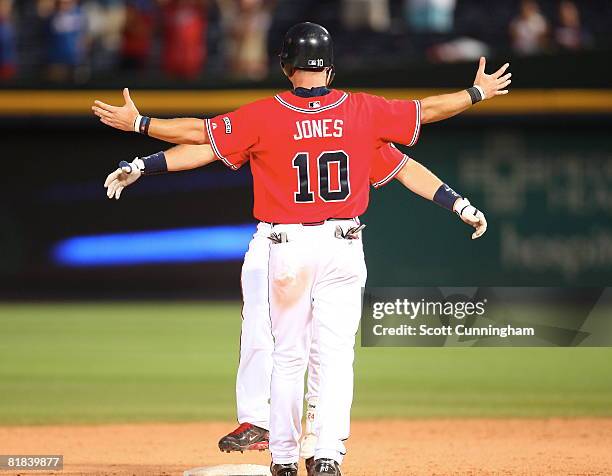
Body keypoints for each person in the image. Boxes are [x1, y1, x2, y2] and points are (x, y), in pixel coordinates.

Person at [92, 22, 510, 476]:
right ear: (330, 68)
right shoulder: (362, 114)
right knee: (334, 356)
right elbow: (422, 119)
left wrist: (140, 131)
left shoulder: (264, 115)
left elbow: (202, 137)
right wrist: (476, 94)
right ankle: (327, 454)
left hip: (287, 246)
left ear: (284, 66)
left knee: (288, 355)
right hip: (344, 245)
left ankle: (286, 458)